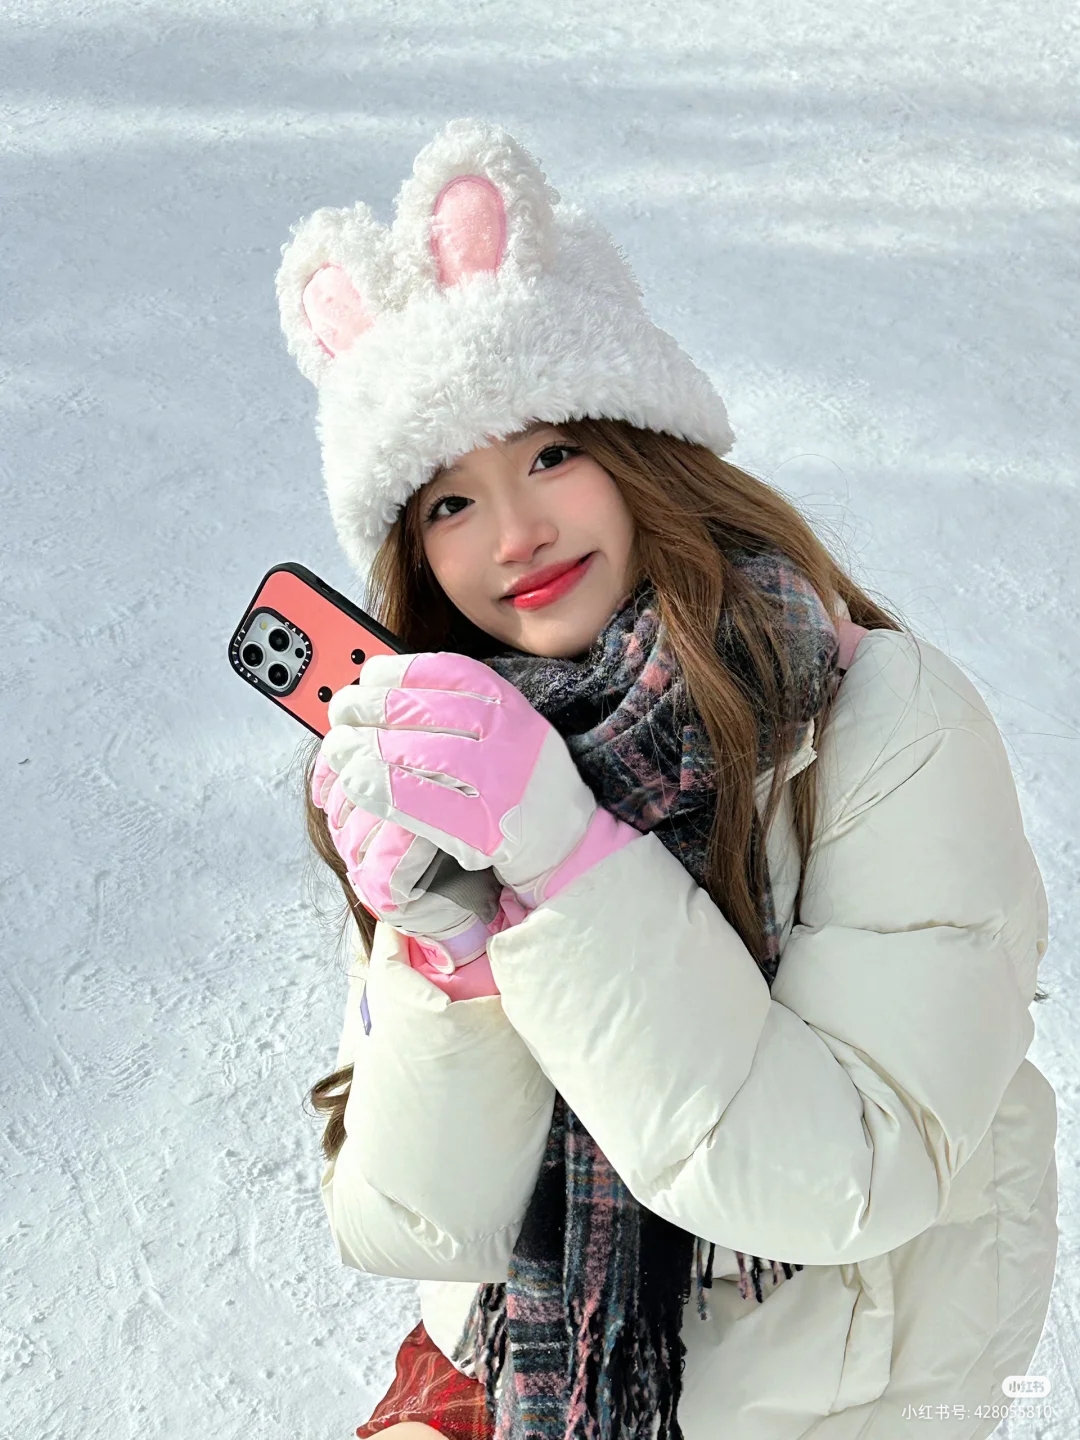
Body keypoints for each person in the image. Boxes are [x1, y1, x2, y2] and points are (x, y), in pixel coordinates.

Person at [275, 120, 1058, 1440]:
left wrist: (566, 867)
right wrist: (450, 952)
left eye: (550, 454)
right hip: (524, 1380)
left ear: (644, 446)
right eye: (448, 503)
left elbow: (850, 1173)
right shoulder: (454, 760)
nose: (515, 535)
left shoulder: (887, 722)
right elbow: (410, 1226)